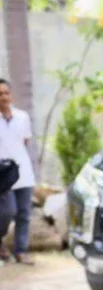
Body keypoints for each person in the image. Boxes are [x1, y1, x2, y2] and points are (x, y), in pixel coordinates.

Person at [0, 78, 36, 265]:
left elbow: (25, 142)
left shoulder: (22, 117)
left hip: (23, 172)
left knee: (23, 213)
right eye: (0, 94)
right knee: (6, 212)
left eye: (6, 93)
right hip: (2, 175)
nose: (4, 97)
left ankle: (21, 251)